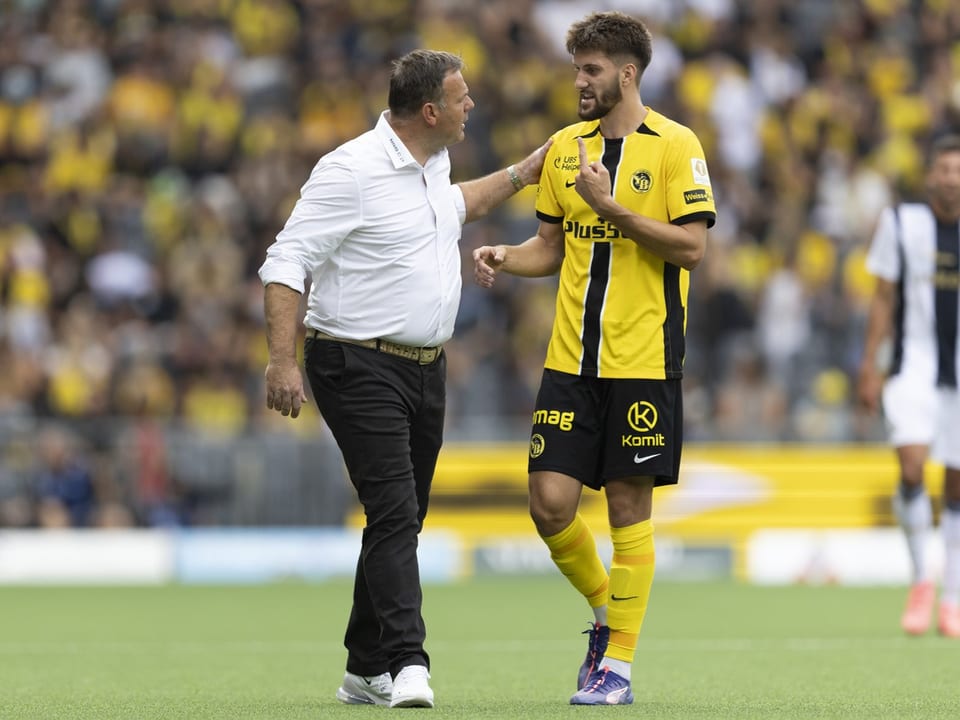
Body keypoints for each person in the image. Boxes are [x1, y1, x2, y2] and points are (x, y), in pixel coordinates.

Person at [258, 49, 549, 708]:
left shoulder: (431, 163)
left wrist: (520, 175)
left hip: (425, 366)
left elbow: (450, 208)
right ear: (430, 110)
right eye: (462, 96)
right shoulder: (349, 170)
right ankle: (407, 662)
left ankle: (363, 667)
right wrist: (281, 361)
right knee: (393, 511)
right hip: (355, 361)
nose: (471, 104)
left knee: (402, 516)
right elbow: (286, 261)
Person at [473, 12, 715, 705]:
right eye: (575, 66)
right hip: (570, 360)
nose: (578, 80)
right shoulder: (563, 150)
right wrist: (507, 257)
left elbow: (692, 247)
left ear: (627, 74)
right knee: (548, 505)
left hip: (643, 359)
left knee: (628, 508)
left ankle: (619, 669)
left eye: (590, 69)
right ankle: (609, 616)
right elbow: (551, 248)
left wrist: (613, 210)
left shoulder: (675, 145)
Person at [857, 133, 960, 639]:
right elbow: (881, 297)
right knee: (914, 463)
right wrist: (869, 366)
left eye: (958, 170)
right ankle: (923, 577)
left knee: (959, 484)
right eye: (944, 169)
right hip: (912, 364)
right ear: (930, 176)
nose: (952, 179)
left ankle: (954, 597)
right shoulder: (902, 223)